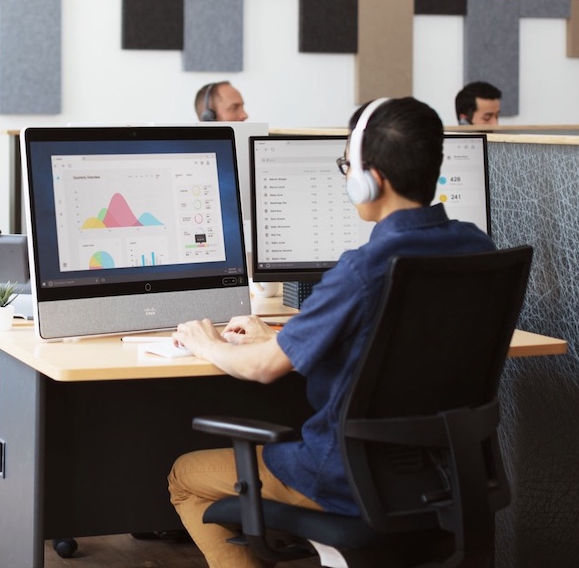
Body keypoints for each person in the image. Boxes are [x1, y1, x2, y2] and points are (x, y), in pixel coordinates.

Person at [167, 97, 496, 568]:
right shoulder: (476, 247)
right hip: (447, 474)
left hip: (344, 478)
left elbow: (261, 370)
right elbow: (392, 338)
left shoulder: (364, 268)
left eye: (348, 166)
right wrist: (283, 334)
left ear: (370, 179)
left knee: (183, 476)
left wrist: (208, 342)